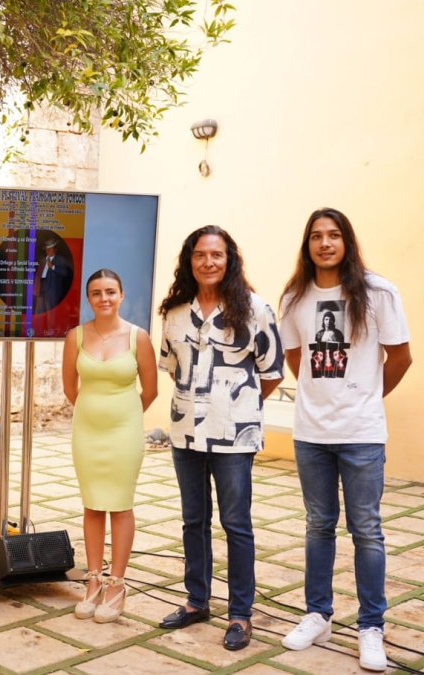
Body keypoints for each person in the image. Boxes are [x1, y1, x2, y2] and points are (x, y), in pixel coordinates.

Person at [277, 208, 412, 671]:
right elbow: (295, 357)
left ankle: (371, 626)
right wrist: (321, 395)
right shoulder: (295, 297)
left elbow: (401, 357)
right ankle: (318, 614)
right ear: (307, 244)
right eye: (316, 236)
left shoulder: (378, 292)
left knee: (366, 530)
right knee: (318, 526)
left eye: (334, 235)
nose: (325, 243)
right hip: (311, 433)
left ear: (347, 241)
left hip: (361, 434)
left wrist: (365, 397)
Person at [156, 225, 283, 651]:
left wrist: (234, 406)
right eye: (200, 255)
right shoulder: (173, 313)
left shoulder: (255, 309)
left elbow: (271, 373)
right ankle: (197, 602)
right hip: (186, 434)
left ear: (230, 260)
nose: (208, 262)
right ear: (189, 261)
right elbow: (172, 367)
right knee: (194, 520)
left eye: (217, 255)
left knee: (236, 524)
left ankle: (241, 614)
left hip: (234, 439)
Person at [62, 269, 157, 623]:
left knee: (119, 505)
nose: (104, 298)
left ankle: (117, 584)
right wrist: (94, 414)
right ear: (89, 298)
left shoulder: (138, 337)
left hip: (124, 432)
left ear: (122, 295)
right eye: (97, 293)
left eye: (111, 292)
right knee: (91, 505)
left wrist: (124, 417)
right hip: (87, 431)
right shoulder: (75, 336)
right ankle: (93, 581)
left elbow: (151, 390)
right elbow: (70, 387)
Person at [35, 239, 72, 314]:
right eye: (47, 248)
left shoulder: (61, 259)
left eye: (50, 248)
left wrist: (53, 267)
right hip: (40, 290)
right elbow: (37, 275)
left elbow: (64, 272)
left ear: (55, 249)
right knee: (39, 313)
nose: (48, 250)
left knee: (51, 315)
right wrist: (35, 287)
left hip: (52, 292)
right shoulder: (42, 260)